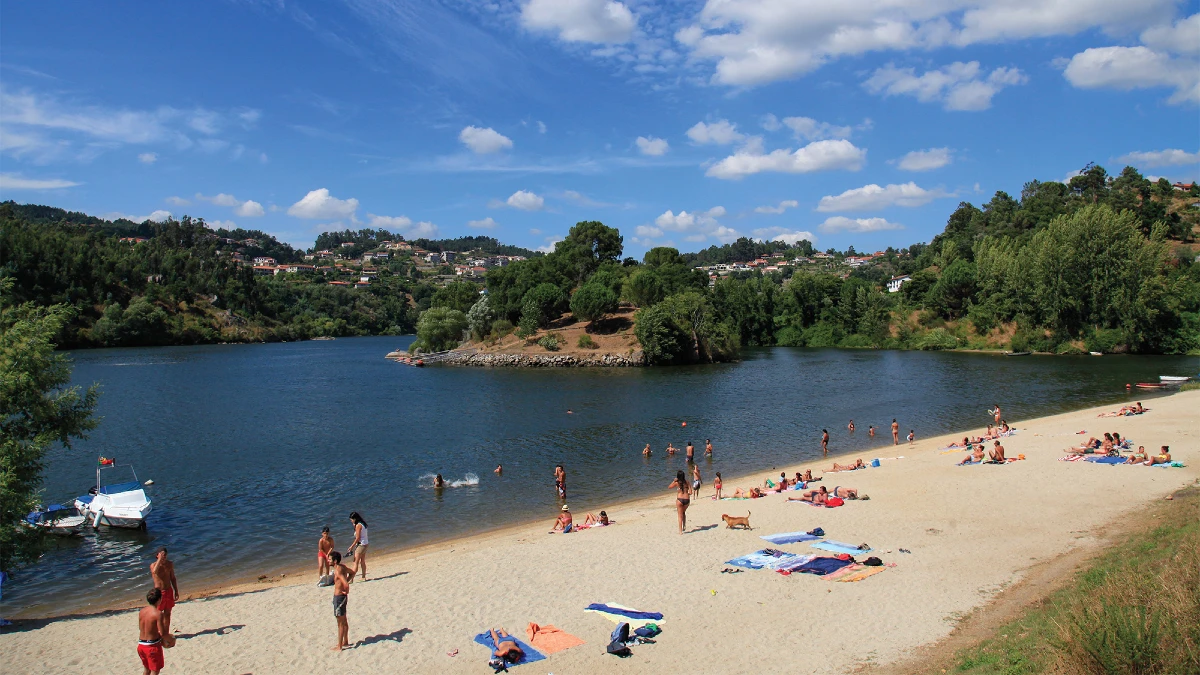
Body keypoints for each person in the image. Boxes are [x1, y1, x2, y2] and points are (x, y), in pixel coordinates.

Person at [138, 588, 167, 674]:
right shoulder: (158, 614)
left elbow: (141, 628)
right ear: (159, 599)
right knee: (155, 670)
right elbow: (163, 633)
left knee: (146, 669)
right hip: (152, 647)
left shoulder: (142, 611)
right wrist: (170, 639)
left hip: (141, 645)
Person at [149, 548, 178, 636]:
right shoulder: (153, 565)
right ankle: (157, 633)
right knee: (158, 614)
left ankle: (166, 633)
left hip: (168, 591)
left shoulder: (169, 564)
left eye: (165, 555)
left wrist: (176, 591)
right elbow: (154, 572)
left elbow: (172, 578)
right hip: (159, 593)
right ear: (157, 555)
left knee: (167, 614)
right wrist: (159, 559)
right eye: (161, 555)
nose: (163, 557)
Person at [330, 551, 352, 651]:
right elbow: (352, 572)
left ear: (334, 561)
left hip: (339, 598)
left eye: (330, 559)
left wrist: (345, 591)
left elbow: (346, 584)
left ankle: (339, 646)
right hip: (340, 598)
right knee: (344, 619)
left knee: (340, 622)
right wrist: (346, 584)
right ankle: (346, 641)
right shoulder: (342, 567)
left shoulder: (338, 571)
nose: (328, 560)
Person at [348, 512, 369, 581]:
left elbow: (357, 538)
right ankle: (363, 577)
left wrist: (351, 546)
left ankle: (351, 579)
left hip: (361, 545)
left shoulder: (358, 526)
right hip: (365, 544)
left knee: (355, 562)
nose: (351, 521)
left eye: (351, 519)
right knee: (362, 561)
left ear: (355, 519)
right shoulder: (362, 524)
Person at [669, 470, 691, 534]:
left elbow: (669, 487)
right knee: (683, 512)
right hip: (687, 500)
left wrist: (674, 481)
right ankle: (684, 525)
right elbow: (691, 492)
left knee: (679, 515)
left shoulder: (677, 483)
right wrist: (686, 493)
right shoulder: (687, 482)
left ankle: (680, 531)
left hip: (680, 499)